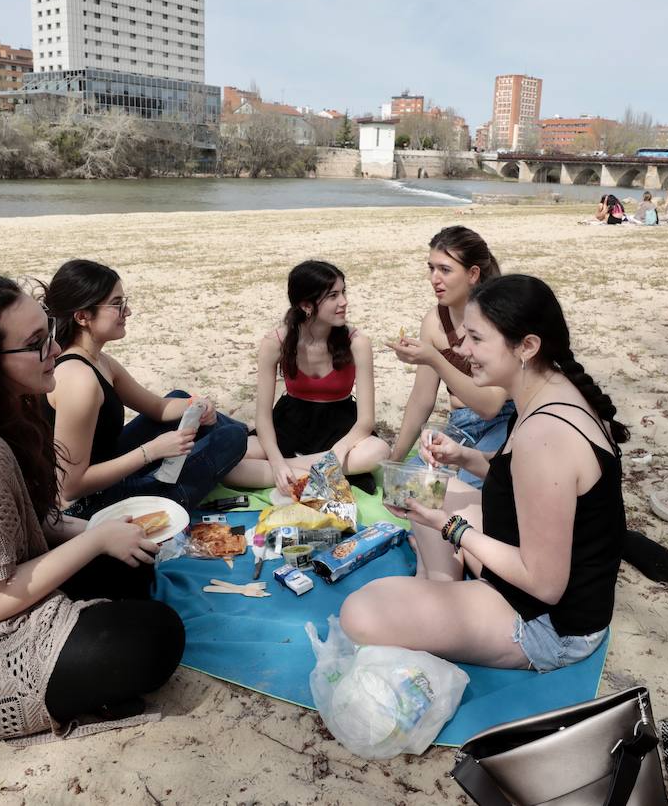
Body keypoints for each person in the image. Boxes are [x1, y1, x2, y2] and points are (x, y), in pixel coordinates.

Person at [0, 276, 184, 742]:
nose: (55, 349)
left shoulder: (9, 409)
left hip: (8, 575)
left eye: (49, 332)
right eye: (36, 343)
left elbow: (32, 519)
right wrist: (95, 538)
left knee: (131, 565)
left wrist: (106, 531)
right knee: (158, 636)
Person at [340, 274, 627, 671]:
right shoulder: (550, 388)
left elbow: (544, 582)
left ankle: (441, 603)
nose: (462, 349)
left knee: (362, 611)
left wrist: (452, 528)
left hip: (550, 625)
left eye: (476, 338)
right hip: (529, 561)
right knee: (433, 490)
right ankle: (441, 595)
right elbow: (524, 483)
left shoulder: (545, 438)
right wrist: (463, 457)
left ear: (526, 346)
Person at [43, 259, 249, 517]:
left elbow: (158, 407)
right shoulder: (78, 380)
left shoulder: (99, 362)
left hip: (105, 473)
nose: (127, 312)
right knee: (232, 439)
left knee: (181, 400)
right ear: (83, 316)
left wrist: (197, 405)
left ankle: (258, 451)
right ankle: (255, 448)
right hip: (88, 507)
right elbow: (70, 488)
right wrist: (151, 452)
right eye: (117, 305)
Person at [241, 259, 390, 497]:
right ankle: (322, 472)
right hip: (290, 421)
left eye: (343, 292)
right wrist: (277, 461)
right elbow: (263, 417)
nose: (344, 302)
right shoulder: (275, 342)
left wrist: (338, 451)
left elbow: (366, 422)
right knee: (235, 457)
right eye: (333, 296)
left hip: (339, 423)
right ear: (306, 305)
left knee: (378, 451)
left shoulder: (357, 342)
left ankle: (299, 469)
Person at [386, 226, 513, 490]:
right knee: (408, 488)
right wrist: (395, 461)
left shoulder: (499, 317)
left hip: (503, 421)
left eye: (445, 270)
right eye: (431, 268)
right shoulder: (434, 321)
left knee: (465, 488)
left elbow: (490, 406)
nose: (434, 279)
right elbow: (422, 399)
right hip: (460, 426)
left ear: (473, 274)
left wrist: (434, 359)